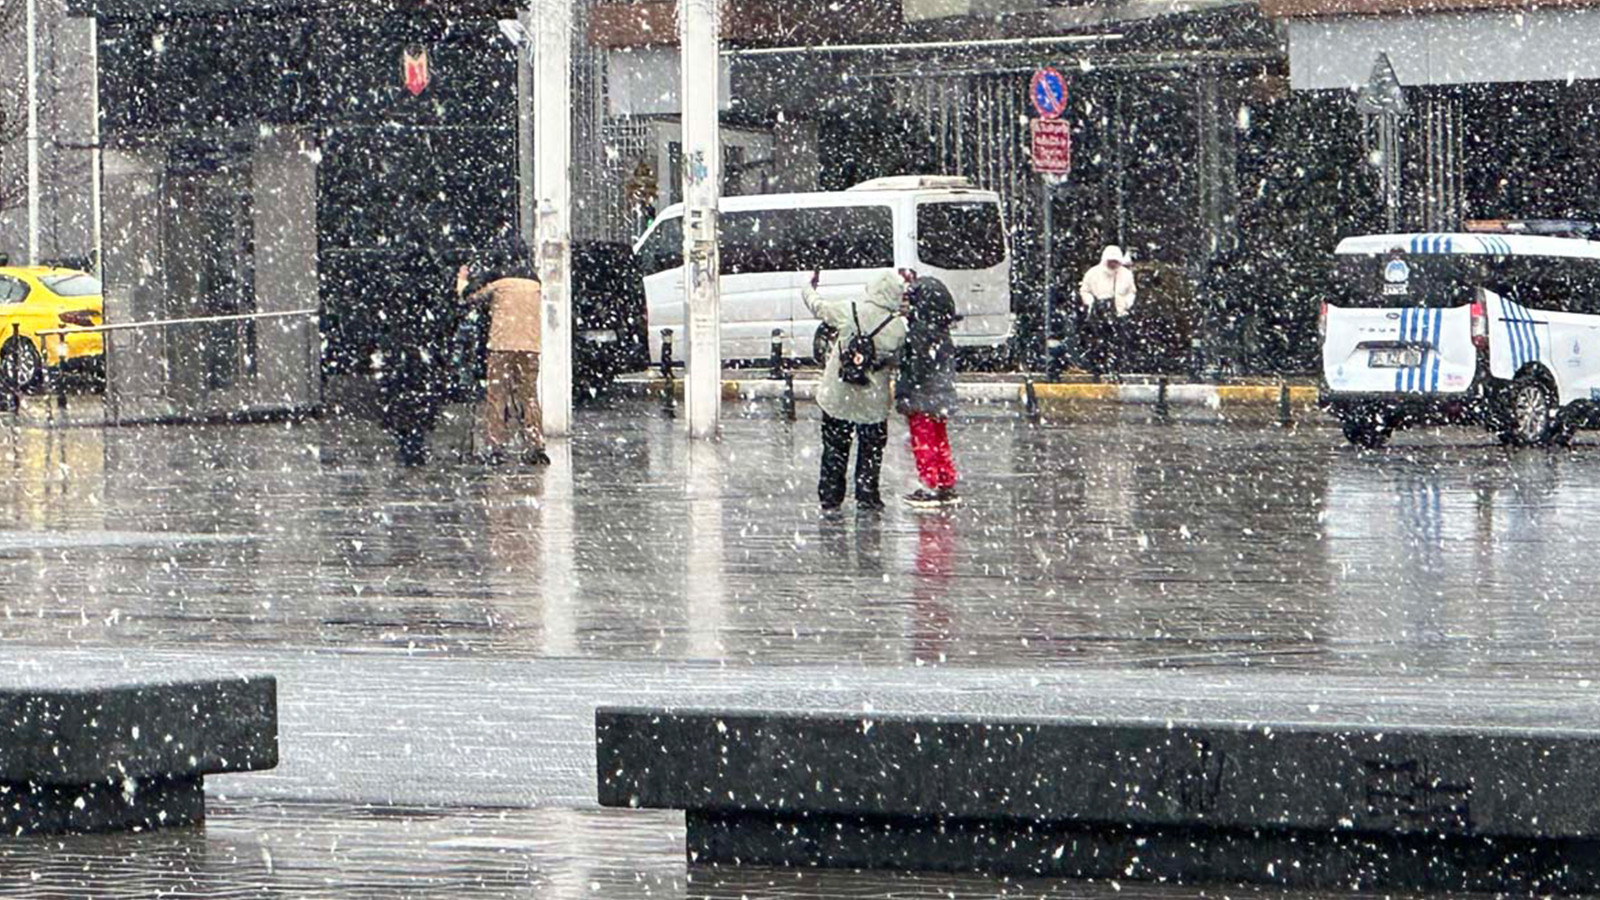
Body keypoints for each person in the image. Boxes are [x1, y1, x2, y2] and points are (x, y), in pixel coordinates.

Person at [802, 268, 908, 513]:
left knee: (834, 449)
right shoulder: (897, 328)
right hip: (873, 401)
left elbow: (818, 307)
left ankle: (830, 497)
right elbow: (899, 362)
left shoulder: (849, 311)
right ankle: (867, 495)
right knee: (870, 451)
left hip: (838, 396)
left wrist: (807, 287)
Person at [457, 234, 549, 466]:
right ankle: (536, 444)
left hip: (501, 345)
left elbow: (468, 297)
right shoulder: (534, 282)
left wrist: (462, 279)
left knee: (497, 396)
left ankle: (496, 445)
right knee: (528, 396)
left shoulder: (497, 279)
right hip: (530, 346)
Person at [378, 248, 452, 466]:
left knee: (400, 395)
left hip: (402, 345)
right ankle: (415, 441)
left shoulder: (395, 285)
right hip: (421, 346)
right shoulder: (430, 287)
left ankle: (406, 442)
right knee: (421, 396)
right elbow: (441, 315)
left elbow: (385, 317)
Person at [895, 275, 960, 508]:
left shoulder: (919, 332)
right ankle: (945, 482)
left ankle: (929, 485)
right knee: (939, 439)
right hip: (940, 397)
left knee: (923, 440)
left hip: (921, 398)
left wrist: (903, 395)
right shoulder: (942, 331)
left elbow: (914, 370)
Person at [1078, 244, 1137, 377]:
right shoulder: (1093, 273)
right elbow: (1084, 290)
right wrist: (1091, 303)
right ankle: (1097, 369)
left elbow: (1131, 292)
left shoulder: (1126, 275)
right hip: (1098, 312)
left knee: (1118, 343)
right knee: (1098, 342)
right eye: (1110, 261)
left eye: (1115, 261)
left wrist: (1126, 304)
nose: (1113, 264)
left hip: (1119, 312)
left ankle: (1116, 370)